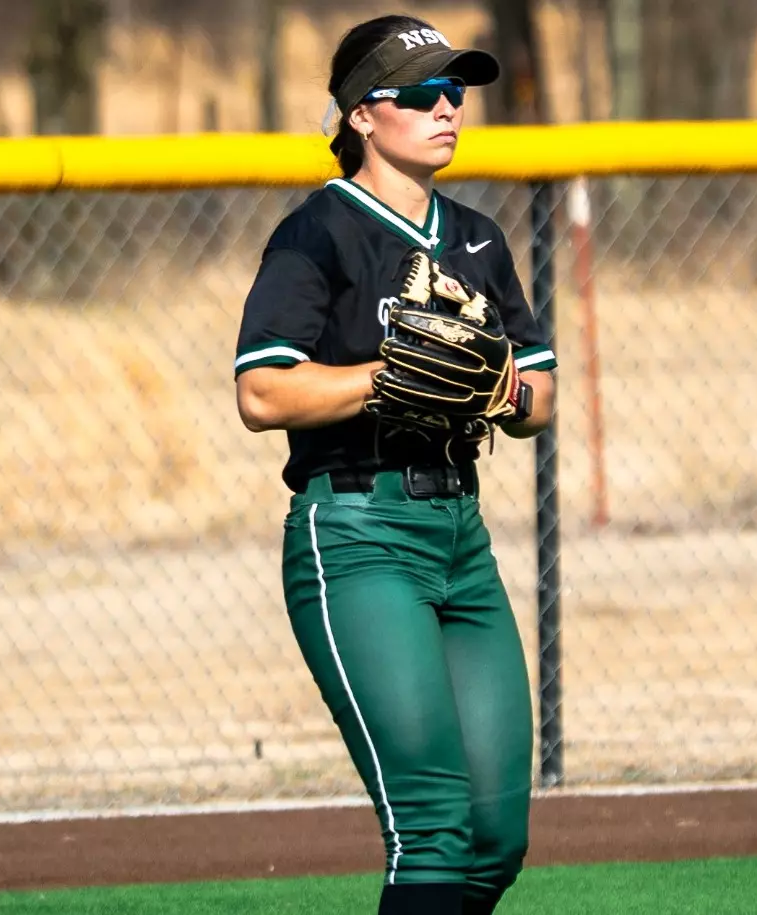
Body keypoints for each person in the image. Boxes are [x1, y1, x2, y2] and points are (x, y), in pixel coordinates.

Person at [231, 13, 557, 915]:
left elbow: (539, 395)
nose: (448, 107)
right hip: (359, 534)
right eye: (421, 93)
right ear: (362, 116)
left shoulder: (481, 239)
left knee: (494, 840)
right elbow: (262, 393)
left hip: (460, 536)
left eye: (456, 90)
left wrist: (501, 388)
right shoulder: (319, 234)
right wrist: (389, 375)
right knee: (432, 827)